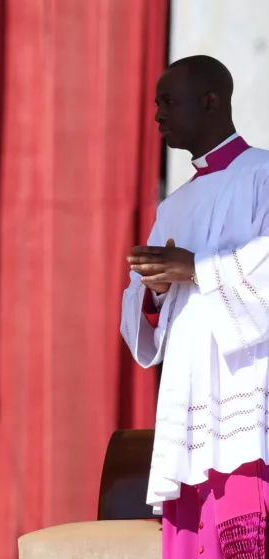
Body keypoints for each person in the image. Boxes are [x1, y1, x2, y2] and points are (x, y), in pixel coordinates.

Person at [122, 54, 269, 558]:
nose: (158, 115)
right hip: (190, 392)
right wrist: (154, 288)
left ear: (211, 102)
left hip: (245, 383)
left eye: (168, 102)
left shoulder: (264, 173)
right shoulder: (174, 205)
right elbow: (150, 310)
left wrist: (197, 268)